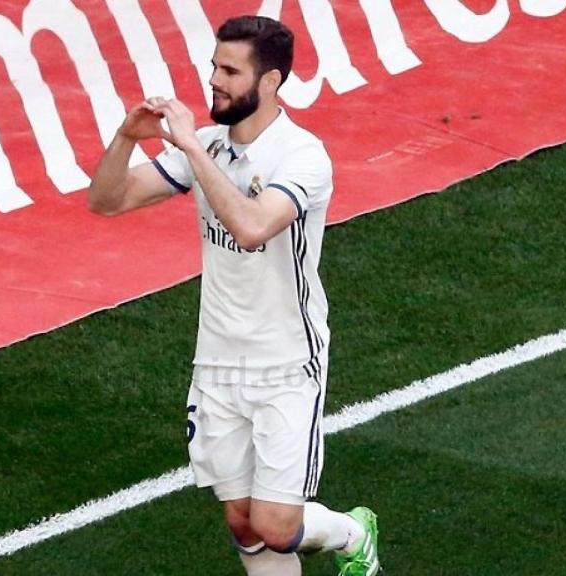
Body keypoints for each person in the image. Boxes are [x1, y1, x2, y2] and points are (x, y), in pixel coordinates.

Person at [88, 15, 380, 576]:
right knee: (242, 521)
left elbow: (251, 226)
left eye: (229, 70)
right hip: (217, 360)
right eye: (213, 67)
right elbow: (107, 200)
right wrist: (127, 135)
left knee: (275, 525)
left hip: (287, 361)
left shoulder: (302, 156)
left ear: (269, 82)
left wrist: (194, 149)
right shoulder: (213, 147)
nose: (213, 80)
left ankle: (352, 534)